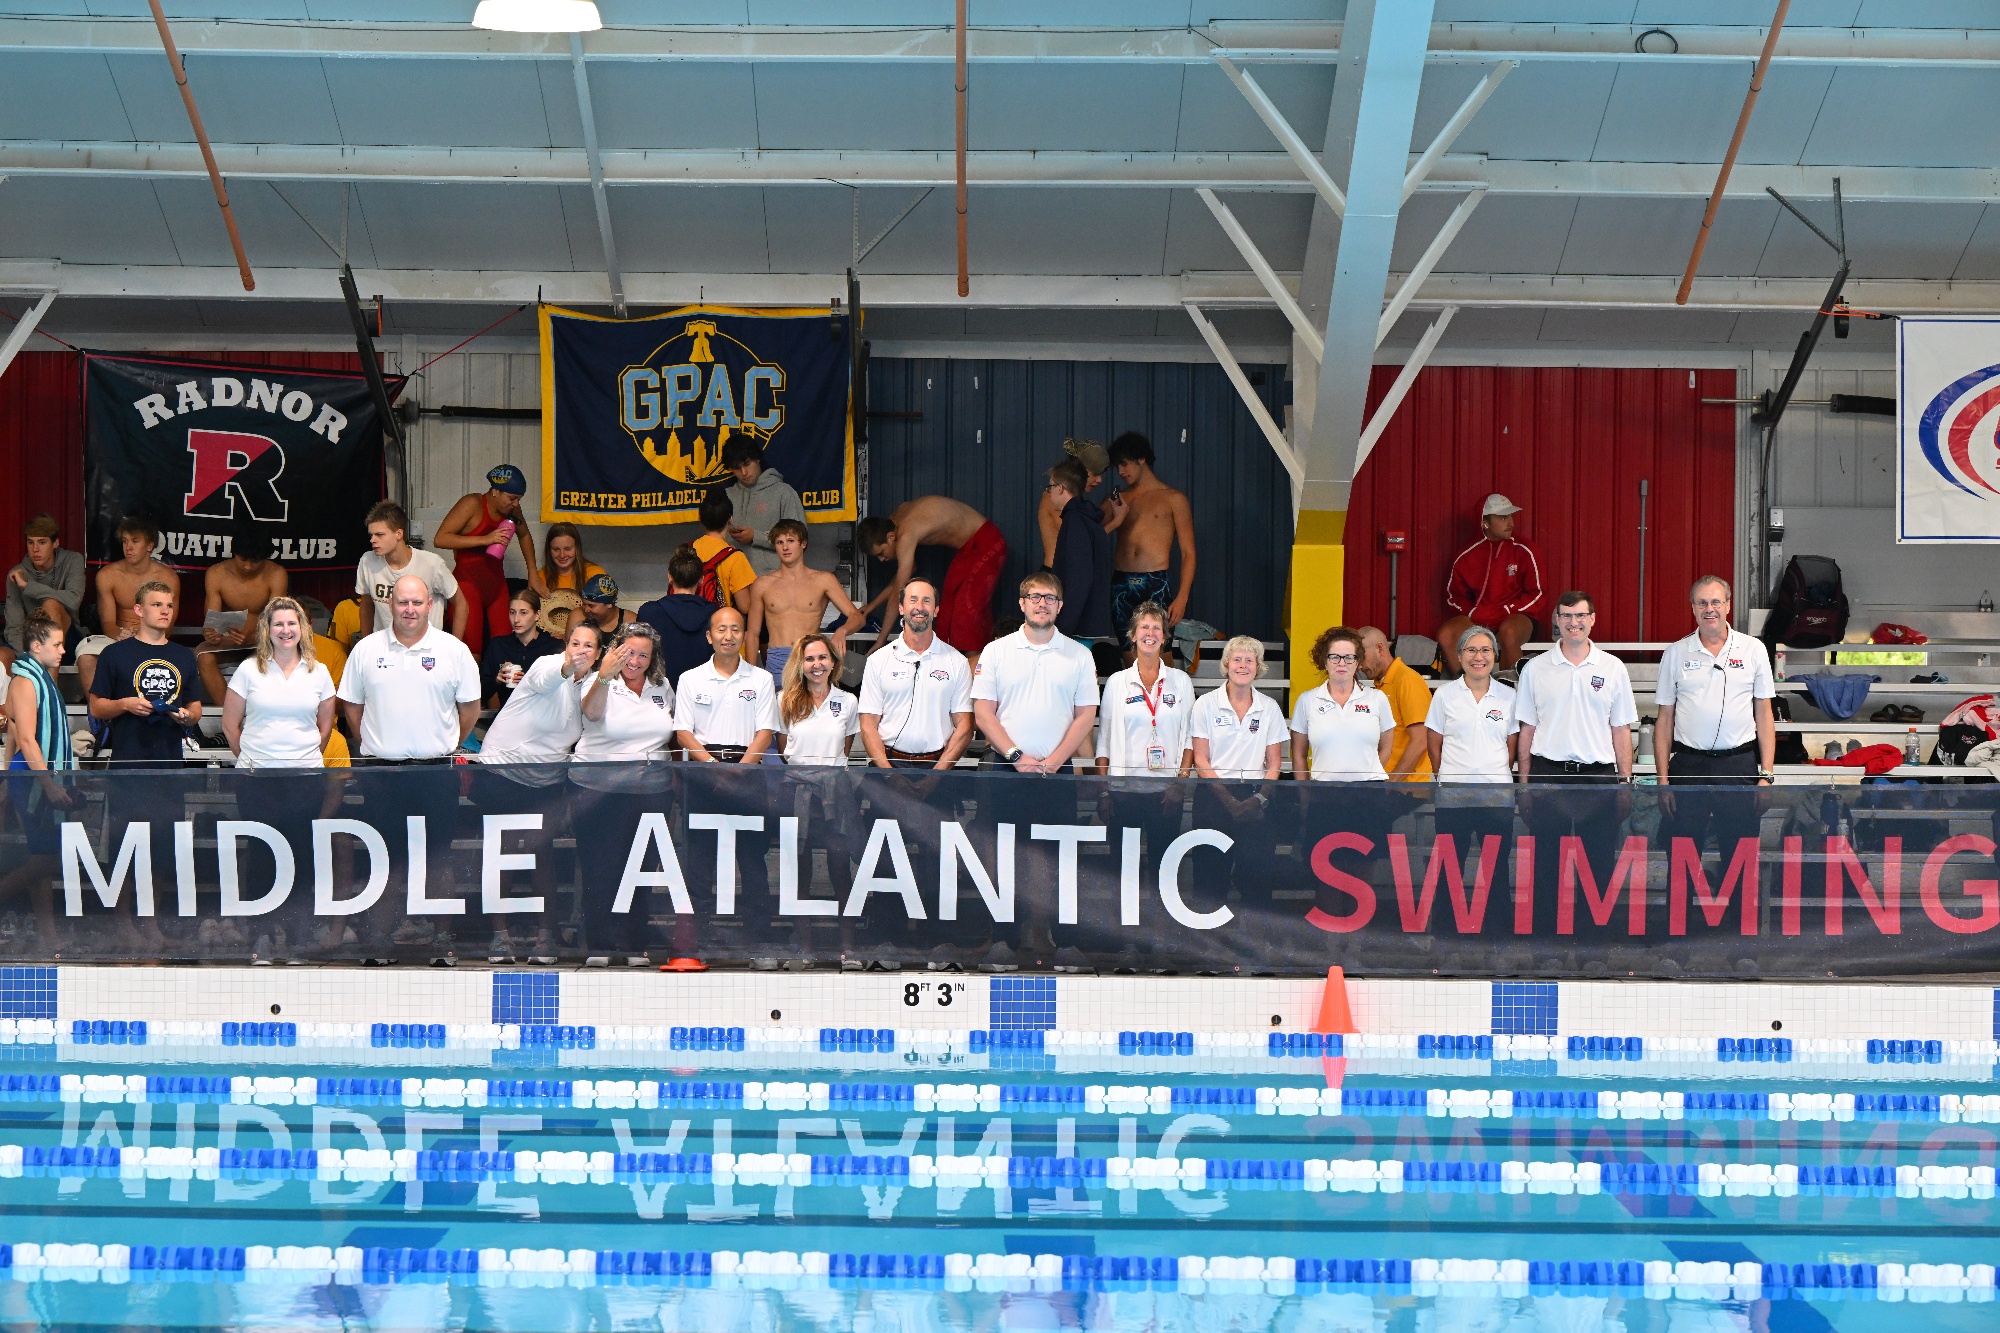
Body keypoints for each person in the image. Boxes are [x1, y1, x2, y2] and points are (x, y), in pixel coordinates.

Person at [1515, 590, 1637, 885]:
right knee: (1546, 867)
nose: (1574, 622)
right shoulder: (1535, 668)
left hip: (1598, 777)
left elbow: (1620, 729)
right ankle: (1546, 917)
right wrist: (1524, 784)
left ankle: (1593, 918)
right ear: (1557, 620)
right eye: (1567, 616)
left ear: (1592, 619)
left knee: (1598, 867)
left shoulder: (1613, 667)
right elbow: (1527, 729)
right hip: (1548, 774)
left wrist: (1624, 782)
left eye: (1581, 615)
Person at [1655, 575, 1777, 855]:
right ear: (1693, 608)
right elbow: (1664, 719)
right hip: (1688, 766)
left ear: (1728, 605)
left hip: (1738, 766)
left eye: (1715, 602)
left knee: (1740, 858)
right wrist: (1663, 781)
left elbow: (1764, 714)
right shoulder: (1675, 653)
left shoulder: (1753, 649)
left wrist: (1767, 775)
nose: (1709, 609)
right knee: (1682, 857)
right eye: (1702, 603)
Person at [336, 574, 482, 763]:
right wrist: (374, 748)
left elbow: (471, 708)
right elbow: (352, 706)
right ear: (391, 605)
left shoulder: (455, 650)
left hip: (438, 769)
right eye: (403, 602)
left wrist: (447, 745)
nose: (410, 610)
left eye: (417, 602)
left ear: (429, 605)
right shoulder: (364, 649)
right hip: (379, 768)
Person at [971, 571, 1099, 774]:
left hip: (1058, 768)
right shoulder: (995, 651)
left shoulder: (1080, 655)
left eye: (1050, 598)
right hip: (1005, 764)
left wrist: (1055, 762)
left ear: (1060, 606)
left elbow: (1086, 716)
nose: (1042, 604)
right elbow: (983, 714)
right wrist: (1018, 758)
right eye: (1035, 597)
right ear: (1022, 603)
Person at [1, 613, 77, 942]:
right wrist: (49, 785)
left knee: (41, 856)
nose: (63, 651)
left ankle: (48, 934)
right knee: (46, 860)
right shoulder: (25, 681)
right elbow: (26, 739)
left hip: (34, 771)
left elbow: (15, 732)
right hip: (34, 775)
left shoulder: (40, 678)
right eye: (57, 645)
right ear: (36, 646)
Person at [857, 496, 1006, 658]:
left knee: (968, 612)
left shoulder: (906, 534)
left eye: (881, 553)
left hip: (987, 542)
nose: (882, 559)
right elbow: (907, 572)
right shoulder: (896, 520)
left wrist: (880, 641)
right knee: (947, 613)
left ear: (890, 537)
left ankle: (976, 669)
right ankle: (949, 665)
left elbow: (898, 591)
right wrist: (872, 606)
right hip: (966, 550)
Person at [1424, 624, 1520, 861]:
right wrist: (1446, 777)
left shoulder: (1509, 696)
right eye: (1471, 650)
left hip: (1497, 797)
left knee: (1496, 868)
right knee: (1448, 868)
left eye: (1485, 650)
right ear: (1459, 655)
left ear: (1495, 655)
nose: (1479, 657)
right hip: (1452, 797)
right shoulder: (1444, 694)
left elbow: (1511, 747)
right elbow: (1434, 743)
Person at [858, 577, 974, 770]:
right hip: (886, 766)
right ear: (901, 608)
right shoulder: (878, 660)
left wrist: (937, 775)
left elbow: (965, 727)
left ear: (936, 610)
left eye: (926, 601)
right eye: (913, 600)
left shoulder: (957, 662)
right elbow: (868, 725)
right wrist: (888, 774)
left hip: (939, 767)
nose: (919, 607)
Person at [87, 581, 201, 765]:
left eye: (169, 606)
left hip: (171, 762)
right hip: (127, 761)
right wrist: (125, 704)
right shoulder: (114, 653)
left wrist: (188, 717)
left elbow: (194, 706)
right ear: (139, 610)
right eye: (157, 605)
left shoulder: (184, 655)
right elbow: (96, 707)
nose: (165, 611)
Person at [429, 463, 537, 655]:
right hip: (467, 585)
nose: (515, 504)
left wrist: (533, 573)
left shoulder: (512, 509)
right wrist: (485, 539)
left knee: (506, 649)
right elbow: (440, 539)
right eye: (512, 498)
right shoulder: (472, 504)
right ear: (495, 491)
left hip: (496, 586)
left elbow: (525, 535)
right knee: (471, 651)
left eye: (519, 499)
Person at [221, 596, 336, 769]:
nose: (286, 630)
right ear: (267, 629)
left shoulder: (320, 672)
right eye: (278, 624)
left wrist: (304, 761)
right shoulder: (247, 669)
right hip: (255, 774)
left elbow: (325, 730)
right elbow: (229, 726)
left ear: (302, 627)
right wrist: (251, 761)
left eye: (292, 623)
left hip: (307, 774)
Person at [1105, 432, 1197, 640]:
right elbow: (1088, 534)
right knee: (1128, 650)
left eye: (1124, 464)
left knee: (1159, 649)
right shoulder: (1118, 500)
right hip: (1122, 582)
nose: (1120, 471)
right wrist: (1116, 521)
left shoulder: (1174, 499)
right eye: (1117, 466)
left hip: (1156, 582)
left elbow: (1188, 553)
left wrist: (1182, 598)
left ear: (1141, 458)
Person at [1438, 493, 1544, 672]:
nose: (1511, 523)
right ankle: (1467, 685)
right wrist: (1472, 612)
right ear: (1484, 522)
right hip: (1478, 618)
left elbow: (1537, 593)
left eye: (1511, 516)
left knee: (1509, 632)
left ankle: (1510, 685)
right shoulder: (1466, 556)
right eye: (1503, 517)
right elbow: (1454, 596)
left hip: (1516, 617)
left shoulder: (1525, 550)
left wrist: (1506, 610)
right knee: (1446, 634)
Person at [745, 519, 863, 679]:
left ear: (803, 544)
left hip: (810, 656)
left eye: (790, 541)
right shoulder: (762, 584)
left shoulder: (824, 580)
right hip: (777, 659)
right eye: (779, 542)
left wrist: (842, 631)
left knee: (814, 696)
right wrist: (750, 677)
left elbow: (857, 617)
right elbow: (752, 634)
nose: (785, 547)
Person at [78, 516, 178, 695]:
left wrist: (143, 637)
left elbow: (167, 626)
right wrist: (119, 633)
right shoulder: (108, 575)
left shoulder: (167, 578)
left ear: (150, 546)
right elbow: (108, 623)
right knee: (86, 655)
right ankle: (97, 710)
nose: (128, 547)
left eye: (135, 541)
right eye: (125, 541)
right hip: (117, 637)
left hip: (153, 639)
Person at [480, 619, 601, 764]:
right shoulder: (546, 663)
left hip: (550, 773)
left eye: (588, 646)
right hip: (503, 764)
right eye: (575, 644)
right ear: (566, 646)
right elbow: (545, 680)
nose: (580, 651)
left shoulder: (594, 682)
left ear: (598, 653)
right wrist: (568, 668)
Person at [1095, 601, 1193, 777]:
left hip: (1170, 786)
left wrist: (1182, 781)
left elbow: (1189, 737)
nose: (1150, 633)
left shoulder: (1181, 681)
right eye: (1144, 627)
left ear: (1164, 638)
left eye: (1156, 628)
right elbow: (1104, 739)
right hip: (1124, 786)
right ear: (1133, 635)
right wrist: (1103, 787)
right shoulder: (1116, 682)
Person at [1290, 627, 1396, 782]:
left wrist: (1370, 776)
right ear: (1325, 661)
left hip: (1369, 790)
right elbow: (1299, 755)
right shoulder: (1307, 700)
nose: (1341, 663)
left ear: (1358, 662)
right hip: (1323, 790)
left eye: (1349, 657)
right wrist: (1305, 791)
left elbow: (1387, 747)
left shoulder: (1377, 698)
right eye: (1334, 657)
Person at [675, 607, 779, 764]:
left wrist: (741, 769)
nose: (728, 636)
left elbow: (765, 733)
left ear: (744, 636)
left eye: (735, 630)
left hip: (748, 766)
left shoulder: (762, 679)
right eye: (721, 630)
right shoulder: (689, 679)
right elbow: (683, 733)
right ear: (709, 636)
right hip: (703, 765)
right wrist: (712, 765)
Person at [195, 532, 289, 706]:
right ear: (234, 553)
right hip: (228, 642)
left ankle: (256, 712)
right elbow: (212, 622)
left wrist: (254, 634)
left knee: (262, 658)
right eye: (243, 559)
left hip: (263, 642)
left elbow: (277, 620)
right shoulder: (216, 573)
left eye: (255, 561)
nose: (248, 566)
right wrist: (212, 635)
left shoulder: (276, 573)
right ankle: (228, 712)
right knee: (204, 656)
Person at [355, 501, 470, 640]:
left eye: (380, 535)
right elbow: (366, 605)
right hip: (385, 646)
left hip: (427, 647)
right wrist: (366, 643)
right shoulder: (367, 561)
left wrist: (455, 646)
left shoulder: (432, 564)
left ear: (398, 534)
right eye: (371, 535)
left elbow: (461, 603)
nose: (373, 540)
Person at [1190, 636, 1285, 780]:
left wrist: (1260, 793)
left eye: (1249, 660)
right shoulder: (1204, 703)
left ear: (1257, 667)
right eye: (1237, 659)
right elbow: (1200, 761)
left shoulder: (1270, 707)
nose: (1243, 665)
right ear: (1227, 664)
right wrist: (1225, 793)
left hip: (1256, 789)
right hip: (1212, 788)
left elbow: (1274, 763)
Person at [3, 514, 85, 677]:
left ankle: (50, 685)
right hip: (29, 644)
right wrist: (30, 657)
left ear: (55, 543)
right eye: (30, 542)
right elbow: (14, 627)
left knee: (51, 605)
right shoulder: (16, 573)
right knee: (2, 656)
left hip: (67, 639)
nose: (35, 549)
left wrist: (28, 586)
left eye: (42, 542)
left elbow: (73, 600)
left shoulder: (72, 560)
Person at [1046, 459, 1112, 641]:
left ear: (1060, 488)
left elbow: (1080, 577)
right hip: (1085, 622)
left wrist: (1063, 626)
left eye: (1050, 487)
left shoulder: (1074, 521)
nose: (1049, 492)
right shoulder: (1087, 518)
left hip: (1077, 627)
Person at [722, 438, 808, 577]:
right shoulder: (726, 496)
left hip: (774, 580)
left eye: (747, 464)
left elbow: (799, 538)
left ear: (757, 459)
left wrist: (755, 536)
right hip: (733, 581)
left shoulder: (783, 492)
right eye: (737, 468)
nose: (744, 472)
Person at [1359, 625, 1434, 781]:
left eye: (1362, 657)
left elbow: (1421, 740)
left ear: (1380, 648)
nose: (1359, 666)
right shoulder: (1382, 684)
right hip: (1388, 785)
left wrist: (1392, 783)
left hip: (1408, 788)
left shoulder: (1407, 680)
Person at [638, 546, 719, 690]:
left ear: (670, 577)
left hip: (658, 692)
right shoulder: (716, 614)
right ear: (701, 579)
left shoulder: (649, 612)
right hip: (704, 692)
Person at [777, 633, 859, 765]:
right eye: (809, 659)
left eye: (823, 657)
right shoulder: (785, 699)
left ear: (833, 662)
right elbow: (783, 751)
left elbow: (844, 753)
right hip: (795, 776)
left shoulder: (849, 701)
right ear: (800, 664)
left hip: (835, 777)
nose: (817, 664)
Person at [480, 587, 562, 709]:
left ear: (537, 615)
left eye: (523, 613)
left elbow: (562, 692)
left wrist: (529, 682)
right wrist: (497, 679)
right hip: (508, 713)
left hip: (542, 715)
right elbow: (480, 695)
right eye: (512, 612)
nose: (516, 620)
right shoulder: (498, 646)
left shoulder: (553, 646)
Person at [1037, 437, 1111, 568]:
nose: (1099, 480)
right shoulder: (1053, 496)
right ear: (1080, 471)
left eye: (1101, 474)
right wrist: (1116, 521)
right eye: (1094, 473)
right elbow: (1078, 540)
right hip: (1055, 574)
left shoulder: (1075, 500)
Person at [691, 490, 758, 614]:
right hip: (719, 622)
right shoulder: (735, 557)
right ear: (730, 519)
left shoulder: (686, 550)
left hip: (689, 619)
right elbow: (745, 606)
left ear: (700, 518)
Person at [529, 521, 606, 598]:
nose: (562, 555)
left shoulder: (595, 575)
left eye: (567, 549)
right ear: (549, 550)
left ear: (577, 548)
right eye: (556, 549)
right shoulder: (539, 578)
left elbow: (606, 604)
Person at [577, 572, 635, 637]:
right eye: (584, 604)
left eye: (591, 606)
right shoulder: (578, 617)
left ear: (609, 604)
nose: (586, 610)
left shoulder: (630, 621)